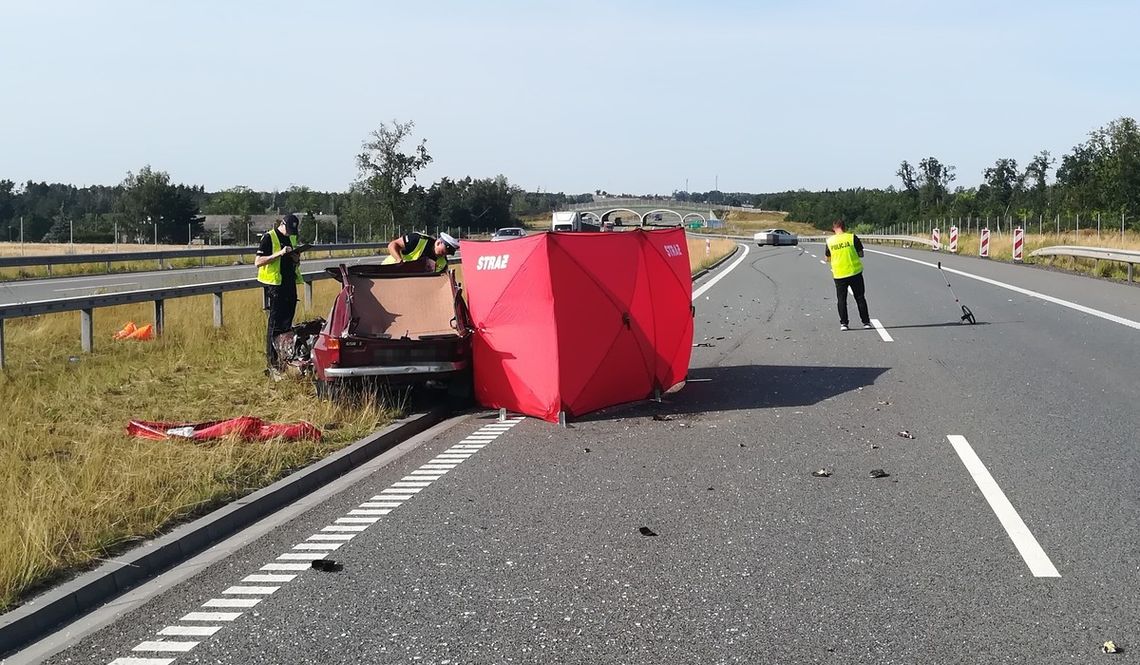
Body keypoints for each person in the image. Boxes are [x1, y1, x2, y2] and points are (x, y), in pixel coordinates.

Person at [255, 213, 303, 368]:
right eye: (288, 230)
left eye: (292, 231)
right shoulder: (269, 237)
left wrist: (296, 259)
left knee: (287, 323)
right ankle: (272, 362)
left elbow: (295, 262)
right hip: (275, 285)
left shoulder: (292, 238)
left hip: (289, 283)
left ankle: (285, 358)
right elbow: (258, 262)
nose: (290, 233)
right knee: (275, 324)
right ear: (282, 225)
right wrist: (280, 253)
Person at [825, 219, 872, 331]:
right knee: (860, 298)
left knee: (841, 300)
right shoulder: (852, 237)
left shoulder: (830, 241)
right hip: (854, 272)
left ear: (833, 228)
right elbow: (861, 254)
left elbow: (827, 258)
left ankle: (844, 324)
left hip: (839, 275)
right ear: (844, 227)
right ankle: (866, 322)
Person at [383, 231, 459, 272]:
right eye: (444, 251)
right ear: (439, 243)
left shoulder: (443, 262)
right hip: (388, 270)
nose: (444, 255)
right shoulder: (418, 239)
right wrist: (398, 260)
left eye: (447, 253)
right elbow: (392, 245)